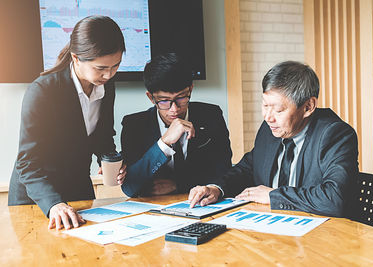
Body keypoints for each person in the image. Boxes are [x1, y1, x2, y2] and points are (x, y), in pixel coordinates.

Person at [188, 61, 359, 217]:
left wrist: (273, 196)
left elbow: (335, 199)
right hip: (273, 228)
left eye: (278, 110)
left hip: (323, 237)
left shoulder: (335, 134)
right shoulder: (270, 129)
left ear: (308, 107)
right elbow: (248, 168)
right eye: (265, 105)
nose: (268, 117)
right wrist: (217, 188)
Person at [8, 16, 127, 230]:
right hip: (38, 199)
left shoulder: (106, 85)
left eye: (115, 66)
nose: (109, 74)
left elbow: (101, 136)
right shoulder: (43, 91)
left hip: (77, 189)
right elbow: (26, 163)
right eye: (101, 68)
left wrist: (110, 160)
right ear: (76, 58)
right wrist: (54, 204)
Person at [121, 53, 232, 197]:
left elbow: (223, 171)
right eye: (164, 101)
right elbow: (130, 187)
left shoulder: (211, 115)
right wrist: (163, 143)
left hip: (201, 203)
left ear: (190, 89)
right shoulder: (134, 125)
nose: (174, 109)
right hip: (153, 208)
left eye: (181, 98)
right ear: (151, 97)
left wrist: (179, 184)